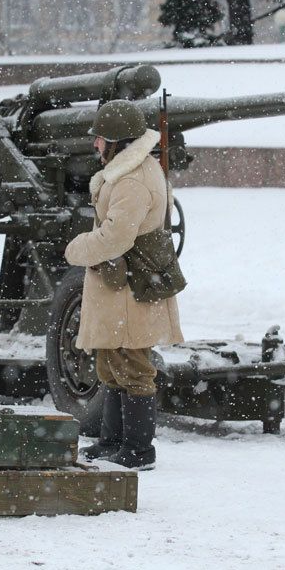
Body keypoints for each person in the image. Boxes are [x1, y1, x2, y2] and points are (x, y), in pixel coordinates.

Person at [64, 100, 184, 470]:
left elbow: (116, 237)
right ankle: (113, 441)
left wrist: (76, 249)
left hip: (131, 287)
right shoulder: (128, 172)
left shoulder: (131, 179)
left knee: (132, 365)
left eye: (99, 139)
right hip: (123, 285)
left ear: (116, 141)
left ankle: (138, 449)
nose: (95, 146)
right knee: (111, 362)